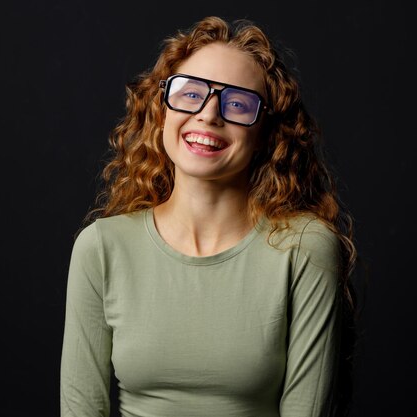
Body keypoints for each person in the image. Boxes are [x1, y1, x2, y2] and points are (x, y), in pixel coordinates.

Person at [60, 15, 359, 417]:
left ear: (266, 133)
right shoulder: (101, 247)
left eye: (237, 103)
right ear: (161, 109)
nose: (208, 114)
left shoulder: (304, 248)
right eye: (190, 93)